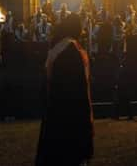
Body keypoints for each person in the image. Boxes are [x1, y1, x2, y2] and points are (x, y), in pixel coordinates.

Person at [36, 14, 93, 166]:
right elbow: (78, 84)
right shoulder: (72, 50)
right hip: (71, 107)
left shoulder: (58, 47)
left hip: (55, 104)